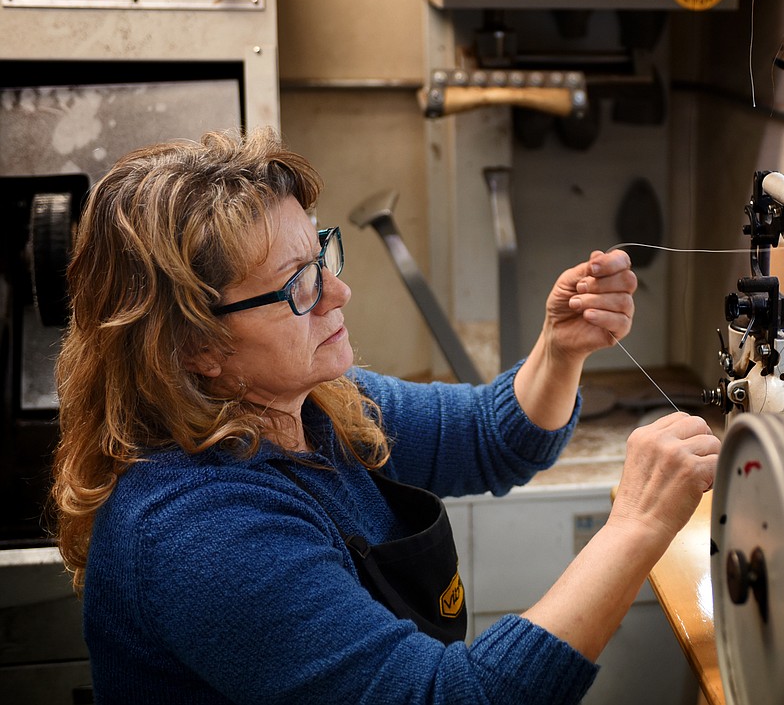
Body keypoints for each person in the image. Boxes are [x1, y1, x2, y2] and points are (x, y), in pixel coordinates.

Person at [50, 127, 721, 704]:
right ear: (194, 346)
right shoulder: (199, 530)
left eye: (322, 257)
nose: (338, 291)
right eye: (297, 284)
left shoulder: (316, 408)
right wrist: (634, 525)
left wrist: (559, 347)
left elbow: (492, 437)